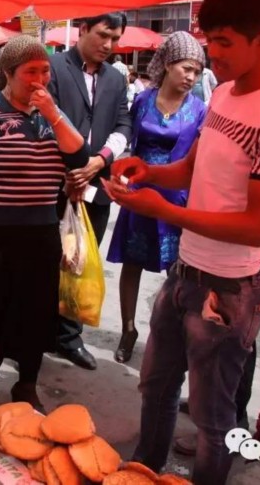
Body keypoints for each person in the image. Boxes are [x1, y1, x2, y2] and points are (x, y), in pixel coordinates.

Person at [104, 0, 260, 485]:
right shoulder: (220, 96)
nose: (212, 54)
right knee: (155, 385)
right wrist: (149, 173)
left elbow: (257, 226)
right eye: (208, 40)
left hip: (231, 288)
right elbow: (192, 171)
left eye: (224, 43)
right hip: (184, 271)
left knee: (214, 421)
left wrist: (163, 212)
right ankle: (143, 470)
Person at [0, 35, 90, 420]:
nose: (40, 79)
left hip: (41, 234)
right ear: (8, 74)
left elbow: (80, 155)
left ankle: (25, 383)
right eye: (31, 72)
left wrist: (53, 114)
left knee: (36, 313)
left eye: (45, 71)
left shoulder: (52, 116)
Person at [106, 32, 208, 364]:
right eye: (186, 68)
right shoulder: (142, 102)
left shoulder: (200, 110)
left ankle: (172, 340)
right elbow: (128, 141)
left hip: (176, 201)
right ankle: (128, 329)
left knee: (177, 274)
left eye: (197, 71)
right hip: (138, 195)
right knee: (131, 265)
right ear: (166, 65)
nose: (191, 77)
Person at [48, 12, 133, 371]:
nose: (109, 45)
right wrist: (71, 167)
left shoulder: (115, 78)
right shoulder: (52, 67)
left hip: (96, 185)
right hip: (53, 183)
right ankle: (37, 333)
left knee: (80, 261)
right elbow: (42, 120)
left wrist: (100, 160)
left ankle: (69, 336)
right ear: (81, 30)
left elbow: (124, 122)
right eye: (103, 35)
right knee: (47, 260)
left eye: (115, 39)